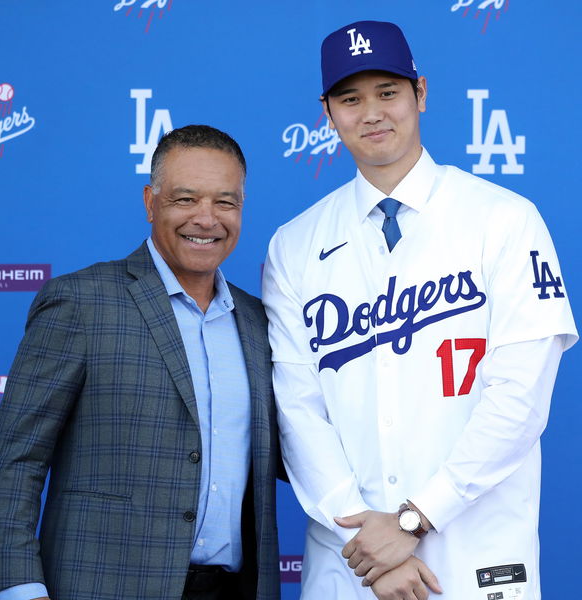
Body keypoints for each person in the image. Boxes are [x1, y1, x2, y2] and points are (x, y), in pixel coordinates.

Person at [262, 20, 577, 600]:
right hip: (350, 562)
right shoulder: (294, 244)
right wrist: (369, 544)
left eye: (388, 92)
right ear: (327, 113)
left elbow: (519, 397)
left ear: (421, 93)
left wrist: (414, 520)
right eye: (350, 99)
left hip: (476, 555)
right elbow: (299, 410)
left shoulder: (505, 218)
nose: (372, 113)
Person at [0, 125, 280, 600]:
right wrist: (21, 588)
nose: (207, 219)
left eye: (225, 202)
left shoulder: (259, 322)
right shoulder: (80, 302)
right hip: (103, 587)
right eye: (186, 199)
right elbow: (17, 460)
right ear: (150, 202)